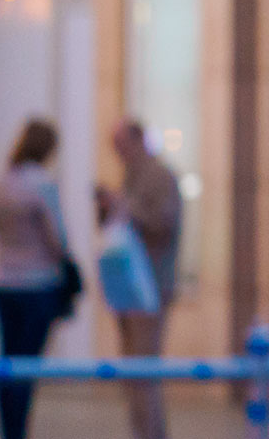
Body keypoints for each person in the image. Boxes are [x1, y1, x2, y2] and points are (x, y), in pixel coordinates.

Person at [96, 120, 181, 439]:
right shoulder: (133, 175)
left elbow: (163, 222)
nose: (119, 153)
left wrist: (123, 207)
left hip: (151, 287)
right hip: (132, 288)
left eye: (122, 146)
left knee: (143, 372)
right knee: (133, 373)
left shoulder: (158, 175)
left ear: (139, 140)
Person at [0, 119, 69, 439]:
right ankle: (18, 430)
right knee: (28, 364)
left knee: (9, 361)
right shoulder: (41, 184)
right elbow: (58, 241)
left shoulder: (4, 181)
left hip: (5, 281)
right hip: (37, 284)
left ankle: (11, 428)